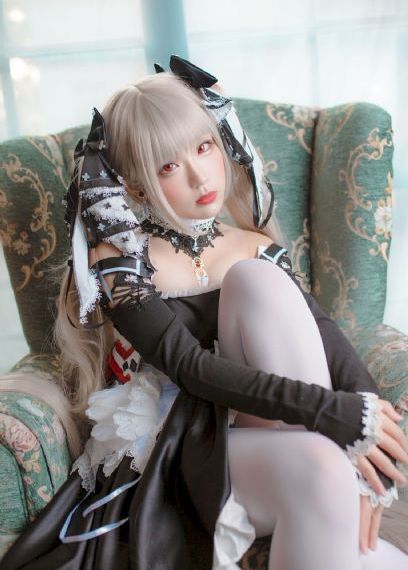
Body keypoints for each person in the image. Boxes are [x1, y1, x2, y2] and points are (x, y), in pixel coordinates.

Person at [1, 55, 408, 570]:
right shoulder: (121, 262)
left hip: (279, 430)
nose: (199, 176)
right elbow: (190, 368)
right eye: (168, 166)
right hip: (187, 443)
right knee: (325, 469)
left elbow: (331, 344)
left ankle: (335, 485)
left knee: (256, 277)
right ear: (137, 187)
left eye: (204, 146)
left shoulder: (253, 245)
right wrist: (332, 415)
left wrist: (373, 440)